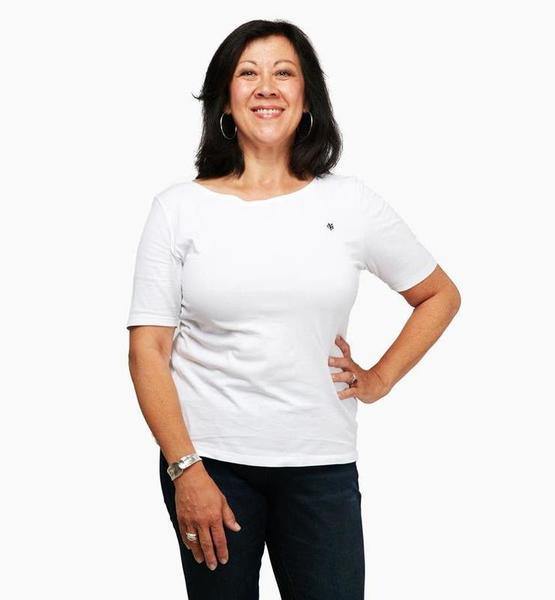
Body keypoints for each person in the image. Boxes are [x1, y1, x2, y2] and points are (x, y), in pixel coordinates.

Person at [126, 18, 461, 600]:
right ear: (225, 100)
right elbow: (147, 350)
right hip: (211, 464)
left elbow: (439, 295)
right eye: (248, 73)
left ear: (307, 98)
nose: (266, 87)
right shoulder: (178, 209)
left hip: (320, 465)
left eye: (284, 73)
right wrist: (185, 469)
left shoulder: (349, 202)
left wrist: (379, 378)